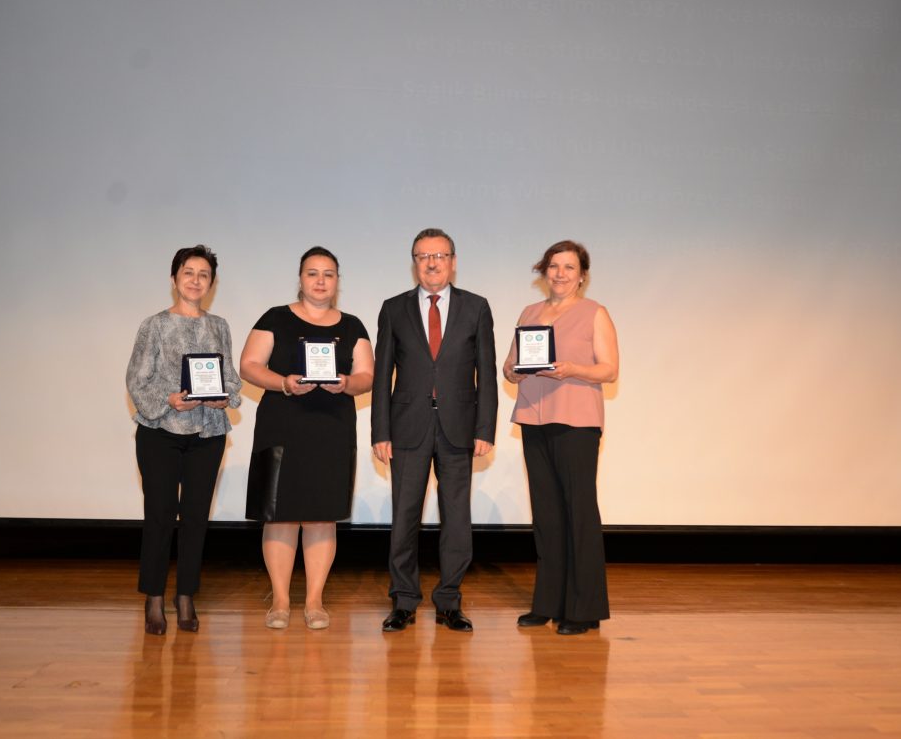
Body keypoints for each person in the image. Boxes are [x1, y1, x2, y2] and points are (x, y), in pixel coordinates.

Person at [240, 247, 374, 630]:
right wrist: (282, 382)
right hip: (281, 425)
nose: (320, 281)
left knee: (321, 517)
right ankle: (280, 601)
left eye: (328, 274)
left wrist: (347, 383)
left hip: (330, 429)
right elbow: (249, 365)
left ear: (337, 281)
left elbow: (368, 375)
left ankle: (314, 601)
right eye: (312, 273)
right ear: (299, 279)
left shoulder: (352, 326)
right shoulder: (275, 318)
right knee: (279, 517)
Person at [372, 228, 498, 632]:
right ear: (414, 263)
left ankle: (449, 601)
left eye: (440, 255)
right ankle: (404, 600)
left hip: (459, 428)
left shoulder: (477, 307)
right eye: (423, 256)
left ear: (453, 261)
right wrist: (380, 431)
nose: (432, 263)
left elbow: (487, 374)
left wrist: (486, 427)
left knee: (456, 518)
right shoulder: (393, 309)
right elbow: (382, 376)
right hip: (407, 427)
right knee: (404, 517)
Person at [502, 240, 619, 635]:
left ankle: (584, 609)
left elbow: (609, 370)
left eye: (569, 267)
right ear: (544, 271)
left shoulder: (594, 313)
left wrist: (570, 368)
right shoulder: (530, 313)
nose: (561, 274)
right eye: (554, 266)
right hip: (535, 421)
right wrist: (515, 372)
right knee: (547, 516)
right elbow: (509, 366)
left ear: (582, 274)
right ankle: (547, 603)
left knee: (579, 513)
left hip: (576, 422)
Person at [126, 245, 242, 635]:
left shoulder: (220, 326)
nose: (195, 280)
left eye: (203, 274)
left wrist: (225, 397)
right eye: (188, 272)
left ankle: (186, 595)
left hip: (208, 432)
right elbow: (136, 380)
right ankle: (154, 598)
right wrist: (168, 400)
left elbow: (232, 381)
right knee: (160, 516)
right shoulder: (154, 325)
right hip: (160, 432)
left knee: (195, 518)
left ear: (212, 283)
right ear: (175, 278)